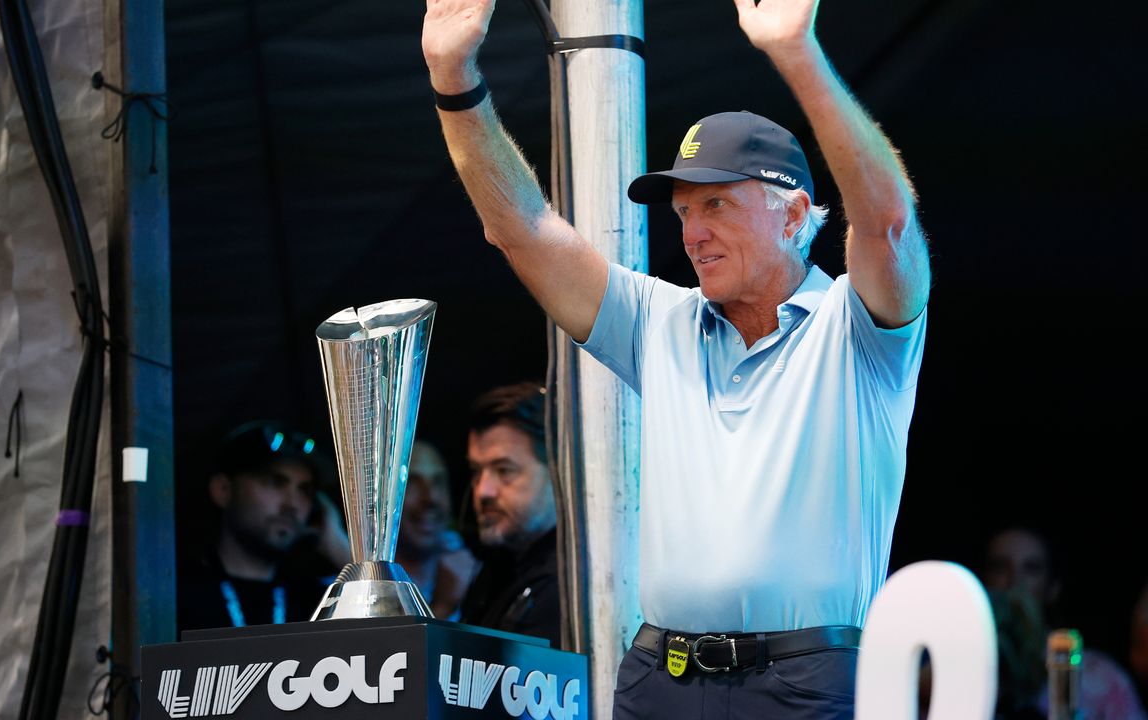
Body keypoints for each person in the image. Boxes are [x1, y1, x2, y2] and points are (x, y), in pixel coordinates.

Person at [422, 0, 930, 715]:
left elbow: (888, 221)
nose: (692, 232)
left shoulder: (855, 329)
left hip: (805, 683)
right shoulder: (661, 320)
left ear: (792, 214)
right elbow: (522, 230)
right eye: (683, 212)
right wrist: (454, 77)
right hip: (659, 676)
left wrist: (795, 52)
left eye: (716, 205)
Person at [177, 421, 352, 633]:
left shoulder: (321, 602)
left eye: (305, 490)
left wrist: (341, 548)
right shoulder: (174, 596)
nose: (292, 504)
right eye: (275, 482)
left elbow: (398, 638)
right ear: (223, 490)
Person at [981, 527, 1147, 720]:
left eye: (1032, 569)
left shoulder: (1101, 678)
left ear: (1053, 588)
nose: (1015, 582)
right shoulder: (960, 668)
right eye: (1000, 567)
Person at [457, 383, 561, 647]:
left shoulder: (571, 583)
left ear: (558, 473)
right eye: (476, 471)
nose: (483, 491)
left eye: (504, 470)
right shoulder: (496, 568)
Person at [395, 439, 479, 619]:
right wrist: (442, 607)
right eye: (411, 483)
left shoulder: (482, 577)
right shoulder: (353, 595)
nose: (430, 497)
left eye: (438, 482)